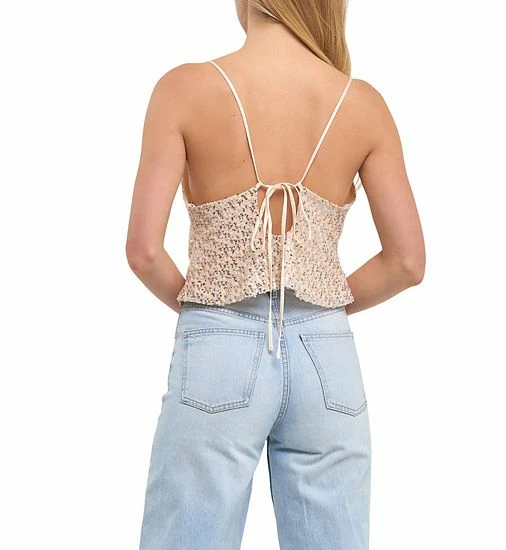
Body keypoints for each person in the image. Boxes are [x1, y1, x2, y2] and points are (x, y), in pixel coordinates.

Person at [126, 1, 425, 549]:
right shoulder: (362, 103)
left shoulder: (183, 88)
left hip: (218, 343)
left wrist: (210, 306)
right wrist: (320, 300)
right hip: (327, 354)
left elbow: (144, 252)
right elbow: (406, 262)